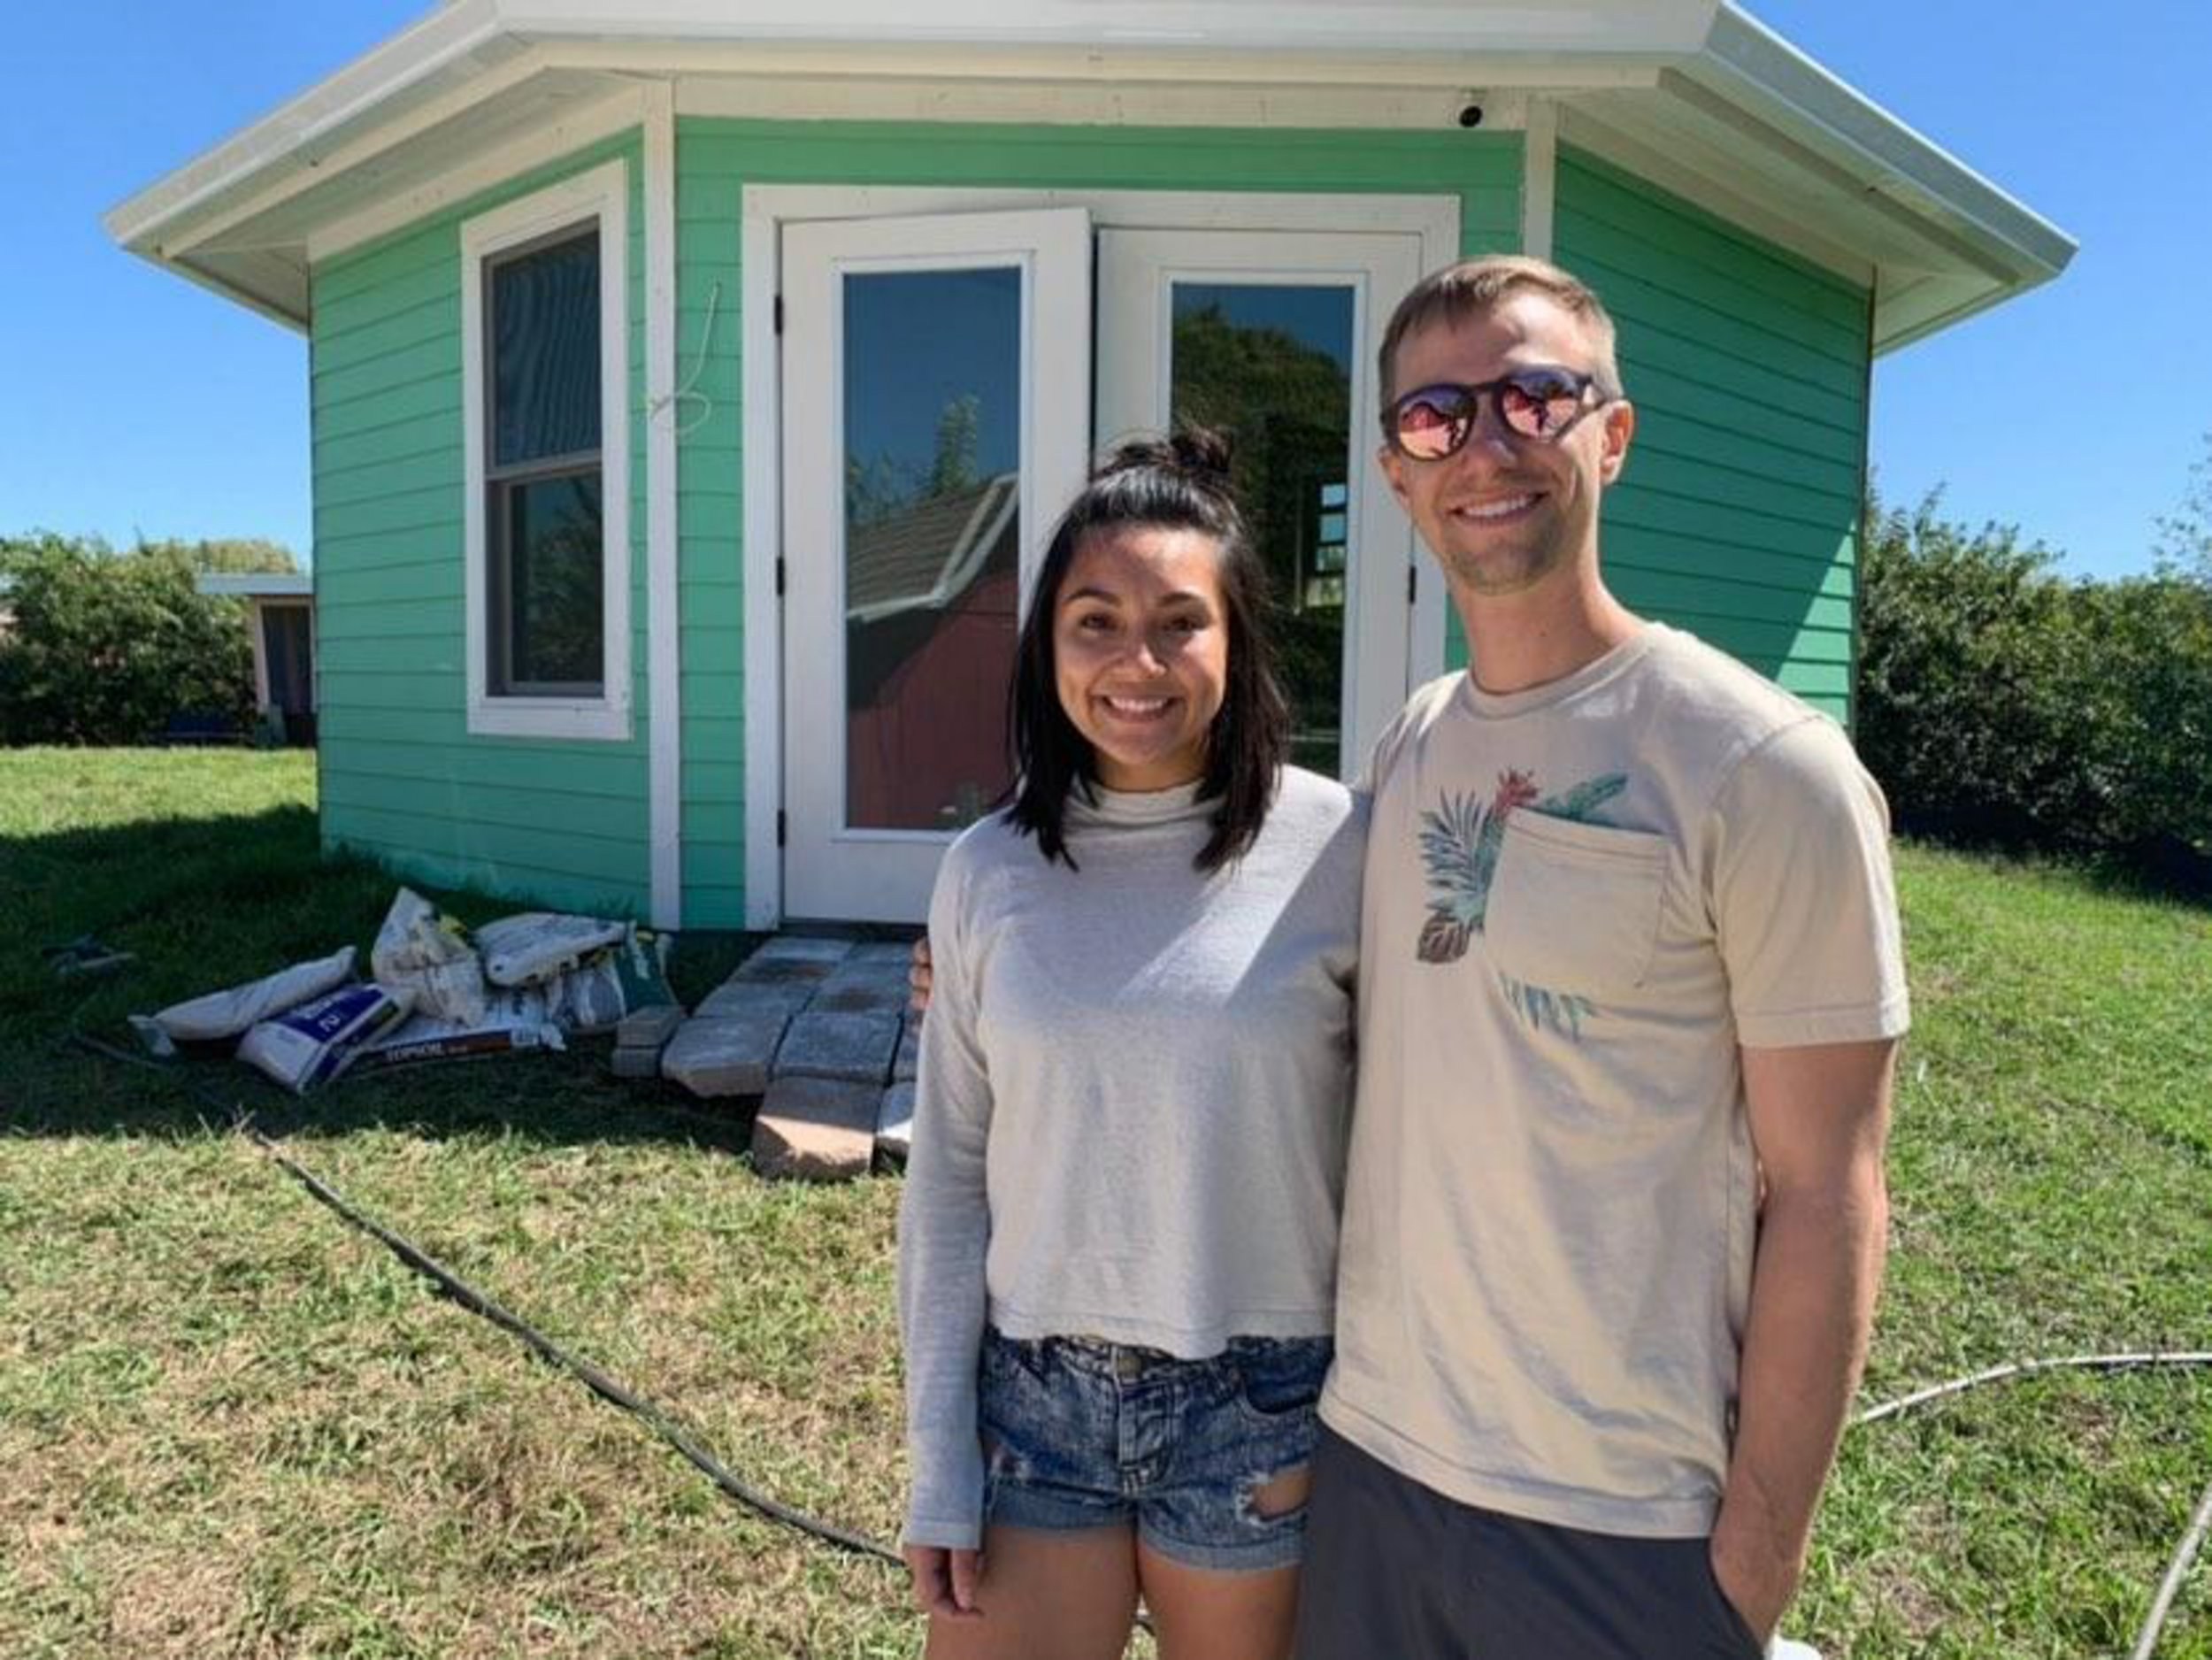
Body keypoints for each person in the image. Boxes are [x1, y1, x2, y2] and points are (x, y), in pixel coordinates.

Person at [1289, 256, 1909, 1658]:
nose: (1486, 443)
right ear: (1398, 474)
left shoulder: (1762, 768)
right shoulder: (1413, 739)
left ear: (1609, 435)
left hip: (1621, 1526)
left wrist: (1750, 1567)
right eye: (1437, 416)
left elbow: (1829, 1194)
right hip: (1371, 1465)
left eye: (1532, 395)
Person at [897, 430, 1366, 1660]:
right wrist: (939, 1458)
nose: (1136, 662)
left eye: (1180, 622)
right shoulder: (986, 870)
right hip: (1035, 1405)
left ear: (1238, 639)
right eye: (1095, 621)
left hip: (1263, 1404)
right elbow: (947, 1177)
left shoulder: (1343, 847)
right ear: (1047, 644)